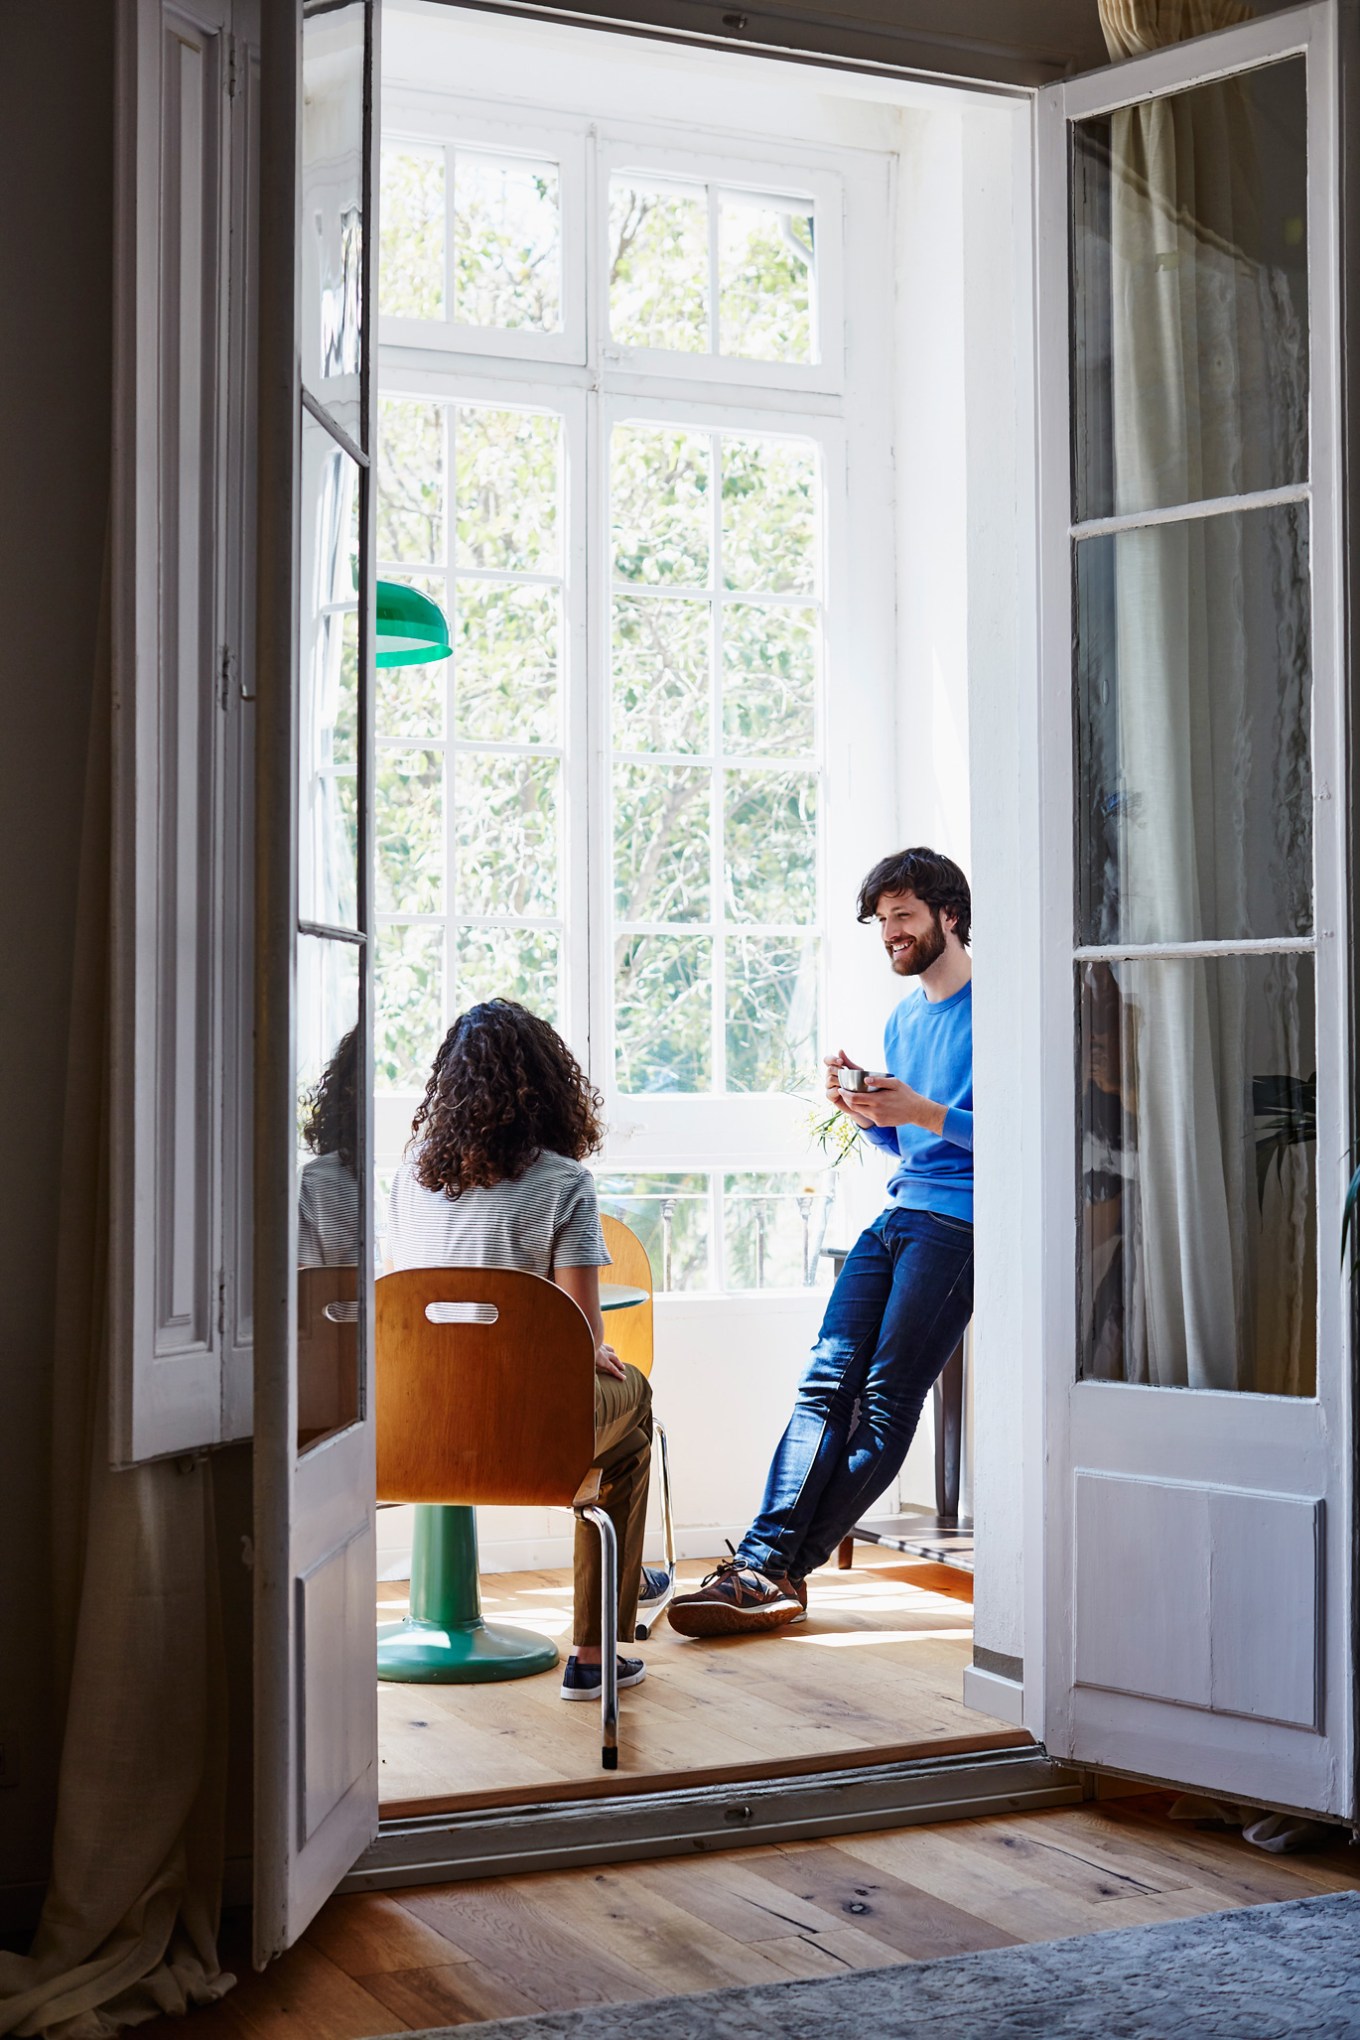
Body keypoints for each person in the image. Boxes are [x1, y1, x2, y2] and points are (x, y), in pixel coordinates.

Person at [667, 847, 975, 1638]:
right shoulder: (907, 1019)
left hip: (964, 1225)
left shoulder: (1003, 1008)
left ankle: (769, 1569)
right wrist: (870, 1115)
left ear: (948, 914)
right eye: (881, 921)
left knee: (883, 1401)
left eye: (903, 916)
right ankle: (769, 1571)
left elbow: (1031, 1138)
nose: (890, 934)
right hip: (901, 1214)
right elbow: (912, 1150)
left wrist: (924, 1112)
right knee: (821, 1385)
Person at [385, 1000, 665, 1700]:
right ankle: (596, 1653)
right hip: (525, 1439)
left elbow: (402, 1303)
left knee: (608, 1405)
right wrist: (592, 1354)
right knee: (635, 1413)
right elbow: (581, 1331)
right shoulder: (563, 1181)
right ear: (550, 1086)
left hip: (403, 1428)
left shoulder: (407, 1177)